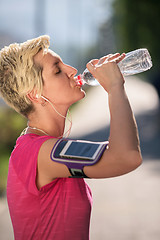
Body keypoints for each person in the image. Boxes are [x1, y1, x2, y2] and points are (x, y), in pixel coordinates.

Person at [0, 35, 142, 240]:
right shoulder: (40, 152)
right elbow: (126, 157)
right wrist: (114, 88)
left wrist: (115, 87)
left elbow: (120, 151)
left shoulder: (42, 148)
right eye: (57, 70)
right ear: (35, 95)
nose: (72, 70)